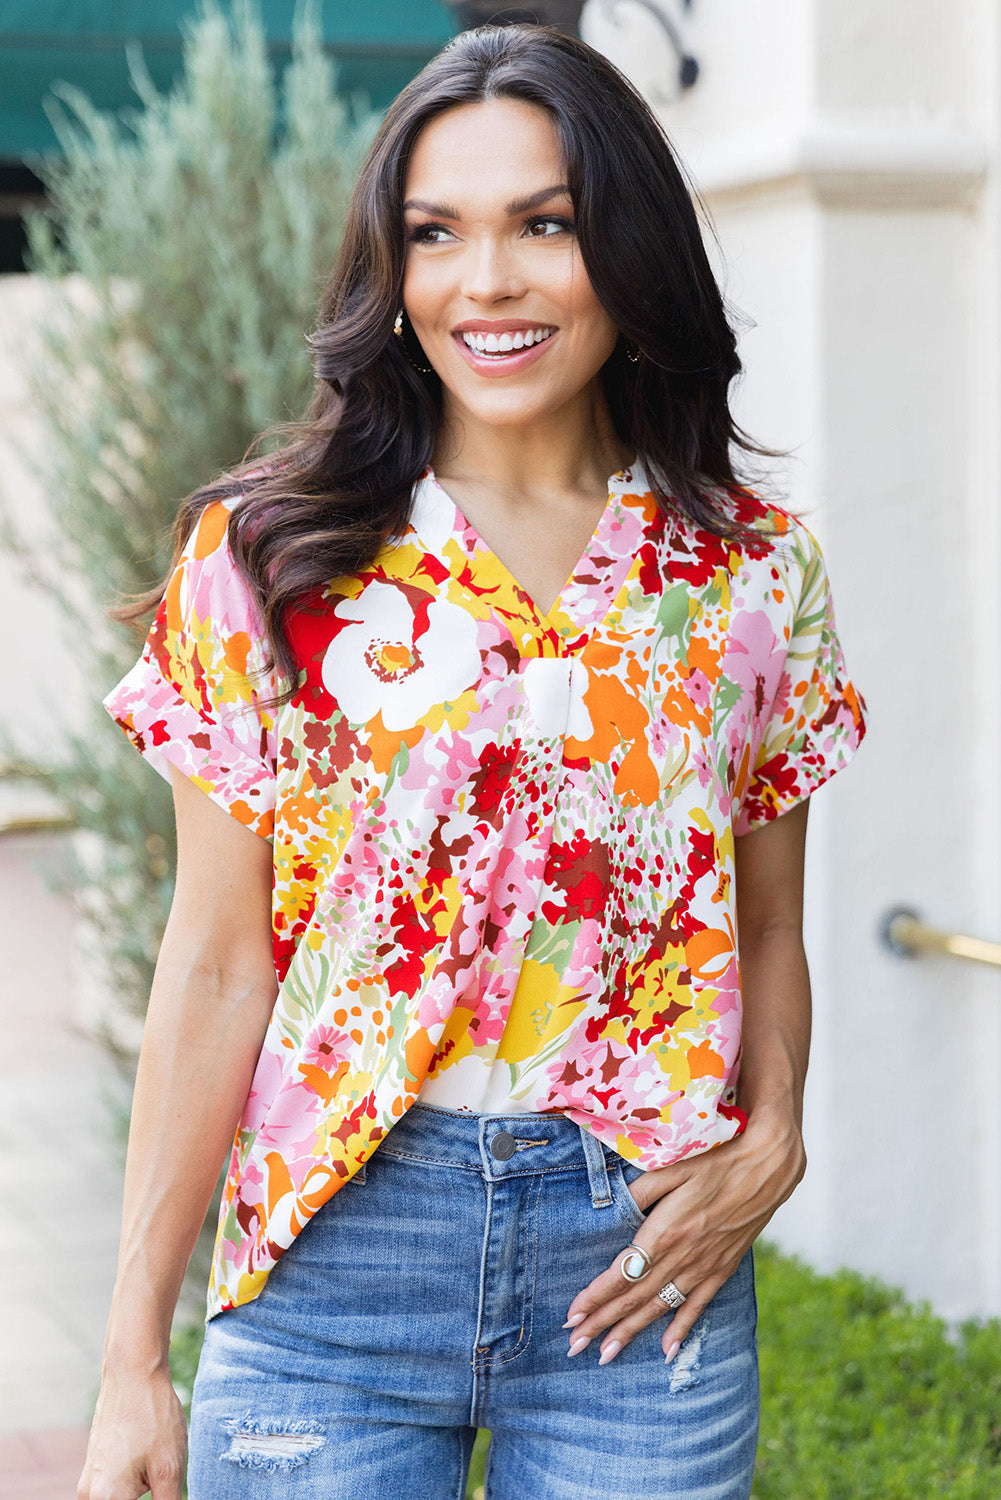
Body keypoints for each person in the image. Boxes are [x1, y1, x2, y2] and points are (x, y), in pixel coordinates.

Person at [79, 22, 866, 1500]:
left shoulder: (751, 576)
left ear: (626, 255)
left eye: (543, 226)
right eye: (434, 235)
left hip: (641, 1262)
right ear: (391, 275)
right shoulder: (265, 559)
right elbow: (215, 962)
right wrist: (130, 1357)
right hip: (335, 1263)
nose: (484, 282)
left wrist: (776, 1139)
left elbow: (765, 926)